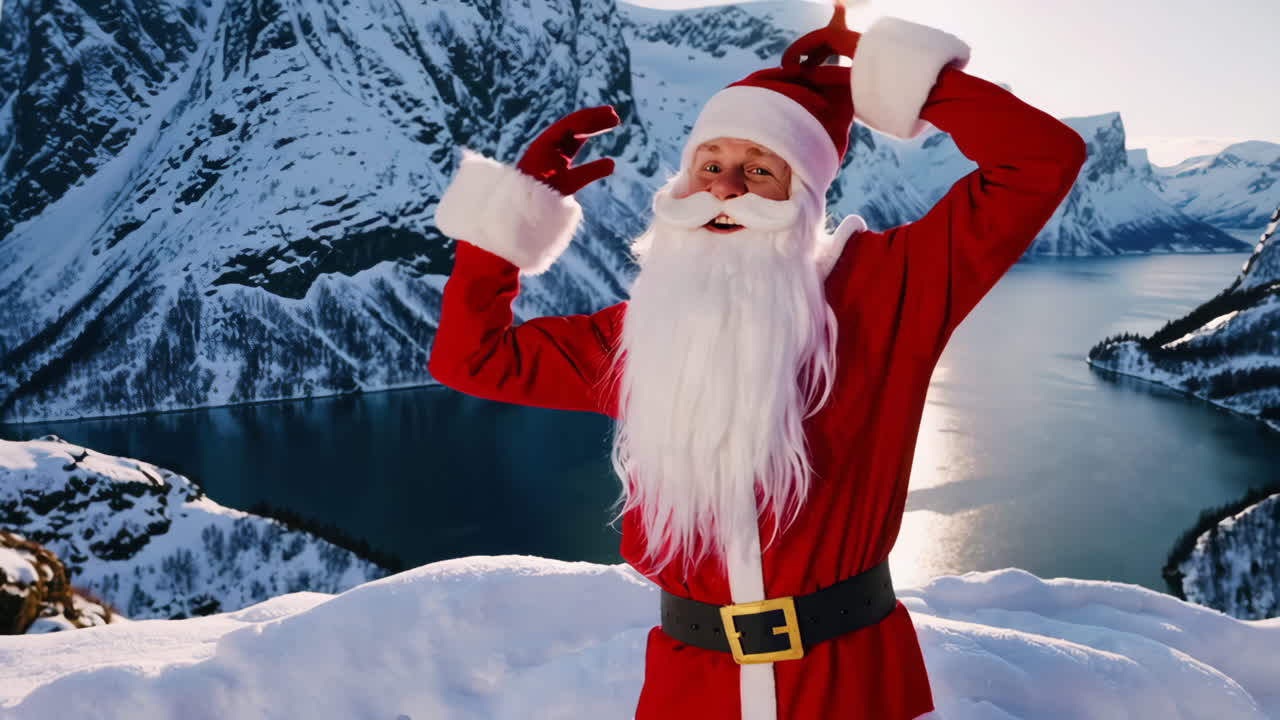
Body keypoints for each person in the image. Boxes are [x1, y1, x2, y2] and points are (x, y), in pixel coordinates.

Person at [429, 5, 1087, 719]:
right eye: (709, 164)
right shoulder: (645, 332)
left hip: (850, 682)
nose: (723, 186)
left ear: (804, 195)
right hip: (692, 688)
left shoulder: (886, 292)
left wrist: (894, 77)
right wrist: (509, 222)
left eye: (758, 169)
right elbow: (472, 358)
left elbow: (1041, 159)